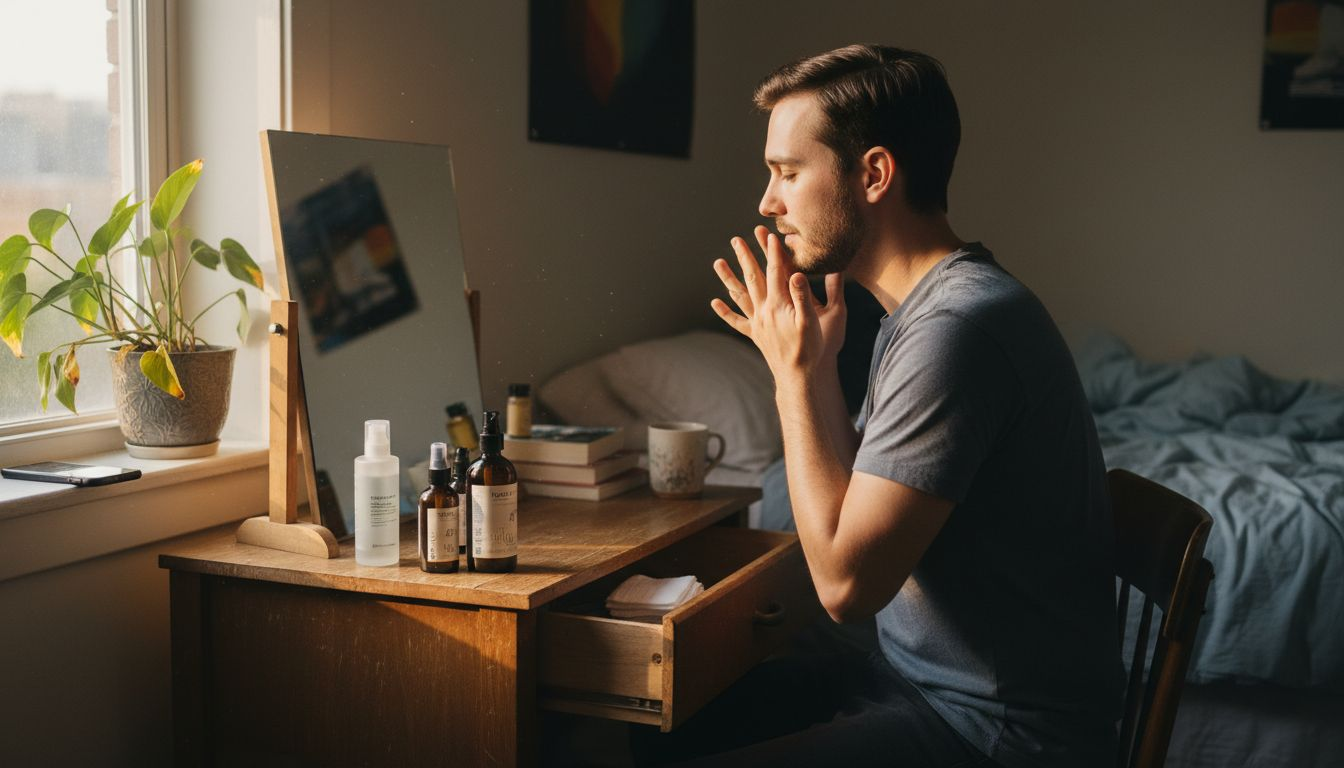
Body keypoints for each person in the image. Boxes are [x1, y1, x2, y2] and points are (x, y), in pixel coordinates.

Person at [646, 44, 1123, 767]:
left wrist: (793, 375)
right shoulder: (923, 310)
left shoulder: (958, 329)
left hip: (995, 733)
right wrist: (822, 367)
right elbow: (851, 495)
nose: (767, 203)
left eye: (787, 173)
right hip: (916, 683)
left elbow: (844, 586)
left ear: (872, 173)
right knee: (661, 720)